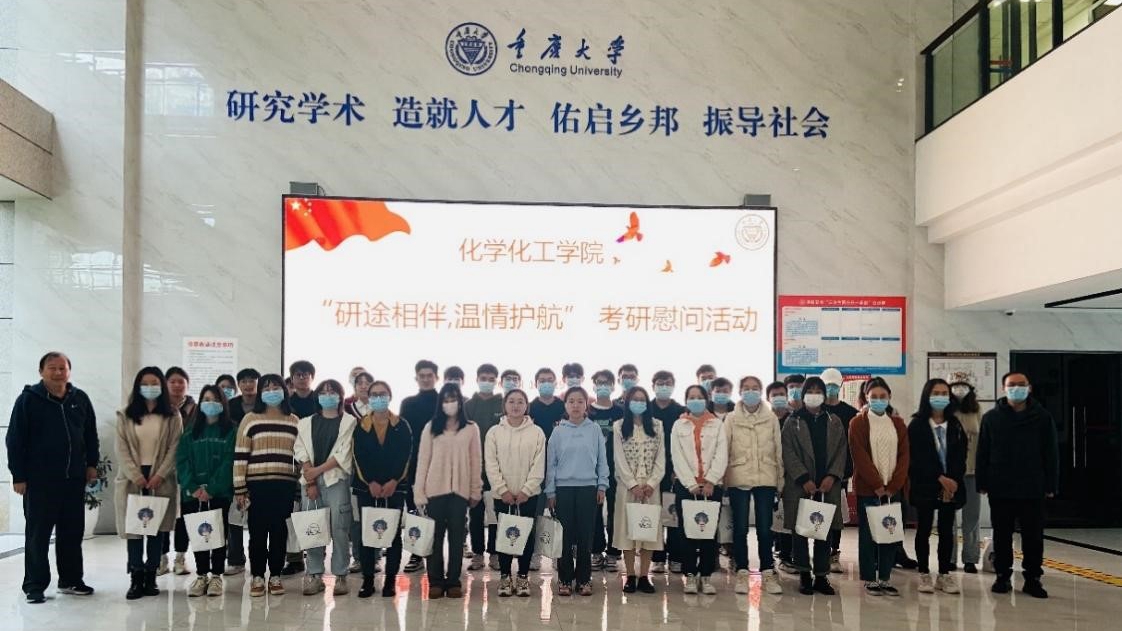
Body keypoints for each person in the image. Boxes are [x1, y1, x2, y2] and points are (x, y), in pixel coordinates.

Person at [7, 352, 100, 604]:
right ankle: (34, 585)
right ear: (41, 372)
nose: (58, 372)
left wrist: (92, 464)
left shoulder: (79, 399)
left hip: (73, 479)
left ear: (69, 371)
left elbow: (90, 434)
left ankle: (70, 580)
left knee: (71, 533)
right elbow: (14, 439)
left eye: (62, 368)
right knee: (38, 535)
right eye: (52, 368)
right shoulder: (28, 400)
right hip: (39, 482)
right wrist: (18, 475)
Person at [977, 372, 1058, 599]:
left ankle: (1033, 579)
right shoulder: (991, 418)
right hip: (1000, 487)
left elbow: (1051, 453)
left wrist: (1051, 484)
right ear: (1003, 389)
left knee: (1033, 536)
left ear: (1029, 388)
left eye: (1021, 384)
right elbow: (983, 452)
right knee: (1002, 535)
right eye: (1011, 385)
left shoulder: (1042, 417)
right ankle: (1002, 576)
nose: (1016, 388)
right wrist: (982, 482)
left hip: (1033, 487)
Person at [115, 366, 183, 600]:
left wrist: (160, 475)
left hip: (160, 478)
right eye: (145, 383)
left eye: (155, 383)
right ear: (138, 386)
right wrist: (136, 475)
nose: (150, 387)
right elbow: (121, 448)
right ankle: (135, 576)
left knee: (156, 530)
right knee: (135, 530)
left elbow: (175, 447)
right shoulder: (125, 414)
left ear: (162, 386)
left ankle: (151, 575)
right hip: (132, 478)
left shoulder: (172, 415)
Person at [234, 373, 300, 597]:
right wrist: (240, 488)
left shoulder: (294, 420)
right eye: (267, 387)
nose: (272, 391)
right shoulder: (251, 419)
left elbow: (300, 456)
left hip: (284, 486)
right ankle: (257, 576)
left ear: (284, 391)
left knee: (280, 532)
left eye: (276, 387)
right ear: (261, 392)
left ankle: (276, 575)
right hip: (257, 486)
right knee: (258, 533)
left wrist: (299, 485)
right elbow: (240, 455)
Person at [414, 384, 482, 599]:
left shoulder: (471, 428)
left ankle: (453, 581)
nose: (449, 403)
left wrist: (475, 490)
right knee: (434, 538)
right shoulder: (431, 427)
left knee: (457, 538)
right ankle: (435, 581)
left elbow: (475, 462)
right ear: (440, 403)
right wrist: (419, 492)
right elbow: (423, 461)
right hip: (434, 491)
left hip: (460, 493)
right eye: (445, 399)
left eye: (453, 398)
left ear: (460, 401)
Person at [781, 376, 845, 596]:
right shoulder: (793, 421)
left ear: (825, 395)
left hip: (827, 485)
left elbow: (841, 451)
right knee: (800, 532)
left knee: (822, 531)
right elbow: (787, 452)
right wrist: (803, 478)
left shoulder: (834, 420)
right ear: (803, 394)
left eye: (819, 391)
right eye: (810, 391)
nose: (814, 395)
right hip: (800, 485)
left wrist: (832, 476)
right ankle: (804, 574)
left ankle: (821, 575)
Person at [294, 379, 357, 597]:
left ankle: (340, 574)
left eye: (332, 391)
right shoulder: (305, 423)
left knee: (340, 527)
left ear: (340, 396)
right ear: (317, 396)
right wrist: (311, 479)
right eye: (323, 391)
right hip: (311, 481)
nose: (328, 395)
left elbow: (343, 454)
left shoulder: (349, 422)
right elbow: (300, 450)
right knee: (313, 528)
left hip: (336, 481)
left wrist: (316, 471)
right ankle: (314, 574)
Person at [848, 377, 909, 596]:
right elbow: (860, 456)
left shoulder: (898, 423)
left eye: (883, 396)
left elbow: (904, 456)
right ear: (866, 397)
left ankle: (884, 577)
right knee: (868, 535)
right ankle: (869, 578)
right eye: (874, 397)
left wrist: (893, 486)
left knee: (889, 533)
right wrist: (877, 485)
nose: (878, 400)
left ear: (889, 397)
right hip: (869, 490)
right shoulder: (858, 423)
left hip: (893, 490)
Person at [723, 376, 784, 595]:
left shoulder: (771, 418)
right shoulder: (731, 418)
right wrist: (724, 480)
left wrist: (780, 481)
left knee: (765, 529)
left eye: (755, 388)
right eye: (746, 388)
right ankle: (742, 571)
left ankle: (767, 571)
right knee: (740, 528)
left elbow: (778, 450)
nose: (751, 392)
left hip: (766, 477)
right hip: (738, 477)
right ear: (740, 392)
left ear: (761, 391)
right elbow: (725, 449)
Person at [546, 387, 609, 596]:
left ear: (586, 404)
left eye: (580, 401)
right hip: (563, 489)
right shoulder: (558, 431)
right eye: (571, 401)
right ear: (565, 405)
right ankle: (564, 578)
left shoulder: (594, 429)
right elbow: (551, 464)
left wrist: (602, 485)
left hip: (588, 489)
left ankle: (584, 579)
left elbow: (602, 460)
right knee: (564, 537)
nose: (575, 405)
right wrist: (550, 492)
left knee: (585, 536)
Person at [352, 380, 412, 598]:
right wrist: (370, 482)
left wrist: (394, 481)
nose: (379, 398)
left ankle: (390, 581)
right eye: (374, 394)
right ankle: (368, 580)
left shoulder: (401, 424)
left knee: (393, 535)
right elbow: (357, 456)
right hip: (367, 488)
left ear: (390, 396)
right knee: (368, 534)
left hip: (394, 488)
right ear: (369, 398)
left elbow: (406, 455)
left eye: (382, 394)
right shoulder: (361, 425)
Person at [484, 389, 546, 597]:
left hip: (528, 495)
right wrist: (502, 490)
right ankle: (505, 577)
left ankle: (522, 577)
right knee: (504, 535)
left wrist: (526, 490)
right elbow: (491, 464)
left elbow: (539, 464)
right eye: (511, 401)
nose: (516, 405)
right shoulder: (494, 432)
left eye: (520, 402)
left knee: (526, 536)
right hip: (502, 496)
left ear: (526, 406)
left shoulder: (536, 432)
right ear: (505, 405)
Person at [177, 384, 237, 597]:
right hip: (193, 495)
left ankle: (217, 576)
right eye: (206, 399)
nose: (211, 404)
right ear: (200, 403)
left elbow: (230, 462)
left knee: (218, 534)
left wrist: (212, 488)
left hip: (219, 494)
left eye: (215, 400)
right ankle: (201, 574)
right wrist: (193, 487)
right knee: (199, 533)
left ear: (223, 404)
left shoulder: (231, 431)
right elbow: (182, 461)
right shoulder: (190, 432)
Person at [909, 378, 967, 595]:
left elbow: (961, 455)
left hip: (950, 487)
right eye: (936, 393)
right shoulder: (917, 425)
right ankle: (924, 572)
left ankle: (944, 573)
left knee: (946, 531)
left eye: (944, 393)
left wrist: (953, 480)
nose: (940, 397)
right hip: (926, 484)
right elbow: (915, 459)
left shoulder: (955, 424)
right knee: (924, 529)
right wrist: (939, 477)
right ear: (927, 396)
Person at [670, 385, 728, 595]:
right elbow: (677, 455)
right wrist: (690, 483)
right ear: (686, 401)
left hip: (712, 487)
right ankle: (690, 575)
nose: (695, 400)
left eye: (699, 397)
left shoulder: (717, 424)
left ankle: (706, 575)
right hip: (687, 487)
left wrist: (711, 481)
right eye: (691, 397)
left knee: (708, 533)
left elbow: (722, 453)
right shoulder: (679, 425)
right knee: (686, 532)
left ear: (706, 399)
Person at [613, 386, 665, 594]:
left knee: (648, 530)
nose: (638, 403)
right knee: (627, 532)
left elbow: (661, 458)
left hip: (651, 488)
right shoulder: (619, 426)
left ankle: (644, 576)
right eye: (634, 399)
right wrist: (632, 484)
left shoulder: (657, 425)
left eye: (642, 399)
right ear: (627, 403)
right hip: (627, 488)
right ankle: (630, 575)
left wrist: (651, 483)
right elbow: (618, 458)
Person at [399, 359, 440, 573]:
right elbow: (404, 436)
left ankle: (436, 554)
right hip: (414, 465)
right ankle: (416, 554)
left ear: (436, 378)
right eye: (422, 376)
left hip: (440, 465)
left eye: (429, 375)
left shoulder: (444, 402)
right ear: (416, 378)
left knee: (438, 511)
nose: (425, 379)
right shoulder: (408, 403)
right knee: (415, 510)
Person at [464, 363, 504, 571]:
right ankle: (478, 554)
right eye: (483, 378)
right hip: (474, 471)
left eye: (491, 379)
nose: (487, 382)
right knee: (476, 515)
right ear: (477, 379)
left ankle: (495, 553)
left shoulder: (504, 404)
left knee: (496, 514)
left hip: (498, 470)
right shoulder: (468, 406)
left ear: (496, 381)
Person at [527, 367, 565, 573]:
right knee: (536, 513)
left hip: (561, 468)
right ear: (536, 383)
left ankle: (559, 554)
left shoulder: (563, 407)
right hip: (536, 469)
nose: (546, 383)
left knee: (560, 513)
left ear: (556, 383)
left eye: (550, 380)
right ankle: (535, 553)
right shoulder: (530, 407)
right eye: (542, 380)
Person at [820, 368, 857, 574]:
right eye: (827, 385)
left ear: (841, 386)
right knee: (818, 513)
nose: (831, 388)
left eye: (834, 385)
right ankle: (820, 550)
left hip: (840, 472)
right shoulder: (816, 410)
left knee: (837, 514)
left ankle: (834, 552)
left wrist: (844, 471)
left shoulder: (850, 413)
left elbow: (851, 446)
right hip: (818, 473)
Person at [650, 370, 686, 575]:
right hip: (652, 471)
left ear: (673, 386)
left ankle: (676, 557)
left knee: (673, 514)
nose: (664, 386)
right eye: (660, 383)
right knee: (655, 515)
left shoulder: (681, 411)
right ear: (653, 385)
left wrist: (677, 469)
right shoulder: (647, 410)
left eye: (667, 383)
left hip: (675, 471)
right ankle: (657, 557)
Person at [223, 367, 258, 576]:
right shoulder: (230, 406)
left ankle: (258, 559)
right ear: (239, 385)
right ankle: (236, 559)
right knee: (235, 514)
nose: (248, 384)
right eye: (243, 381)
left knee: (258, 516)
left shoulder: (264, 404)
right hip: (235, 464)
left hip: (260, 465)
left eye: (252, 380)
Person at [589, 369, 625, 573]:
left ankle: (613, 552)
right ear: (594, 385)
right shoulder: (588, 411)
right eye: (599, 382)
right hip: (592, 472)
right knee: (594, 512)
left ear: (613, 386)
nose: (603, 386)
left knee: (615, 512)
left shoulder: (620, 412)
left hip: (616, 470)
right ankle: (596, 551)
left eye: (607, 382)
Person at [163, 366, 196, 576]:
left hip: (188, 469)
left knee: (185, 515)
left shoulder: (196, 409)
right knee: (163, 514)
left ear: (187, 385)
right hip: (163, 470)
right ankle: (161, 558)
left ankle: (180, 557)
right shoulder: (158, 409)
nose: (177, 385)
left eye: (181, 382)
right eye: (172, 381)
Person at [950, 381, 983, 573]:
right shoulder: (946, 410)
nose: (959, 390)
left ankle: (970, 558)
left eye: (963, 386)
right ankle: (950, 557)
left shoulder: (976, 410)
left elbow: (983, 441)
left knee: (972, 517)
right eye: (955, 386)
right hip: (951, 472)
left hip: (972, 472)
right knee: (949, 517)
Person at [767, 381, 797, 574]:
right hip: (768, 476)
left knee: (787, 518)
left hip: (791, 476)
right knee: (770, 518)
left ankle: (786, 556)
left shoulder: (794, 419)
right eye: (774, 395)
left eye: (781, 394)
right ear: (768, 398)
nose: (778, 398)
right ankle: (770, 557)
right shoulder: (765, 420)